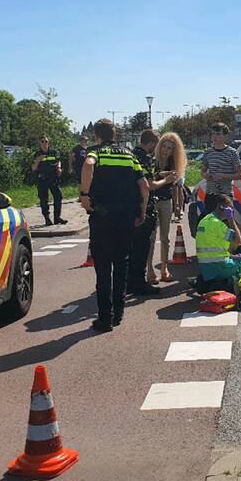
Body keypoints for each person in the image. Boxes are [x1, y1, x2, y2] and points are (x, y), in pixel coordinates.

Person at [79, 119, 148, 332]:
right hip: (126, 217)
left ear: (97, 136)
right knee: (122, 264)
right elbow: (144, 185)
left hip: (102, 216)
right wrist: (142, 211)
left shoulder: (96, 152)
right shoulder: (129, 155)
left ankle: (105, 318)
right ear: (114, 135)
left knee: (103, 267)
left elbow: (89, 165)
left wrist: (84, 194)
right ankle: (119, 312)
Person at [128, 129, 177, 294]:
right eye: (161, 145)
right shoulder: (146, 158)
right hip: (147, 204)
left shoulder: (132, 154)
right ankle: (142, 279)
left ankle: (156, 271)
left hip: (141, 203)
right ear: (154, 144)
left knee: (157, 240)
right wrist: (166, 180)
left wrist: (160, 175)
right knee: (145, 242)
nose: (164, 150)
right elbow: (149, 186)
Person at [196, 193, 241, 285]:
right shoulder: (218, 224)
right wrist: (230, 218)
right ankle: (231, 283)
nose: (232, 209)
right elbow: (238, 241)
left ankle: (221, 281)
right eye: (230, 207)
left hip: (207, 267)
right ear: (221, 207)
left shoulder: (204, 221)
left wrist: (232, 256)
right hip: (221, 266)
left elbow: (213, 249)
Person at [152, 132, 187, 282]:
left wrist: (177, 205)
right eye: (164, 147)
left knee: (165, 238)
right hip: (152, 201)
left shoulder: (174, 164)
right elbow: (151, 180)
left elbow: (175, 187)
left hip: (166, 201)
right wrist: (165, 176)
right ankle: (149, 271)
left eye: (170, 148)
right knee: (151, 237)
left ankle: (164, 269)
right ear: (159, 147)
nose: (166, 150)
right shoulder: (152, 161)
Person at [201, 122, 241, 198]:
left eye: (218, 134)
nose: (214, 137)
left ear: (225, 136)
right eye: (213, 134)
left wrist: (223, 176)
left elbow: (240, 175)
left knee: (226, 210)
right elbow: (203, 171)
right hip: (211, 193)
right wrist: (206, 175)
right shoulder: (208, 152)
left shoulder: (232, 152)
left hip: (226, 194)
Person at [31, 136, 66, 226]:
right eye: (42, 142)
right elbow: (33, 168)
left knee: (58, 197)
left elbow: (58, 161)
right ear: (40, 143)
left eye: (46, 141)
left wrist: (59, 167)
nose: (44, 143)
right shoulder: (37, 154)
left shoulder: (53, 152)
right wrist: (38, 160)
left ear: (48, 143)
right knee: (44, 200)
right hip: (42, 179)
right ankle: (47, 218)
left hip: (53, 178)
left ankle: (57, 217)